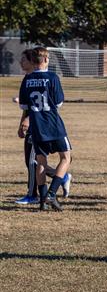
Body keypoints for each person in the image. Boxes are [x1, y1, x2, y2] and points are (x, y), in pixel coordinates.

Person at [18, 47, 73, 211]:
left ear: (33, 61)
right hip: (53, 124)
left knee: (41, 162)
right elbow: (58, 103)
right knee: (66, 158)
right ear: (46, 60)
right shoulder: (52, 77)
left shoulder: (26, 79)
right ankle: (51, 193)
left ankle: (42, 201)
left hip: (36, 126)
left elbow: (23, 105)